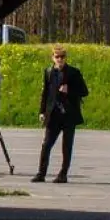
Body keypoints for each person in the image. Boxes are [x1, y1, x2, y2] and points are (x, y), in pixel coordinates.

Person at [32, 45, 89, 183]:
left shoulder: (74, 72)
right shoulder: (48, 72)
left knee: (67, 145)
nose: (60, 59)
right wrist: (42, 111)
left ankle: (63, 174)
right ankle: (41, 173)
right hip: (53, 114)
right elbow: (45, 93)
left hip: (69, 114)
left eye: (62, 57)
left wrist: (69, 89)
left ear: (66, 58)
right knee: (46, 144)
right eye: (57, 57)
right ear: (53, 58)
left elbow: (84, 91)